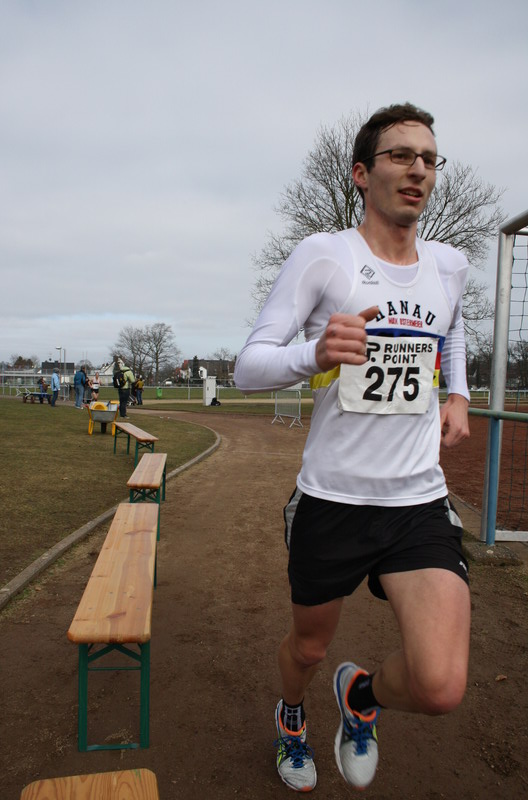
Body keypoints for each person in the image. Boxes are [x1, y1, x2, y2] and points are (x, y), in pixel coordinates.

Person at [234, 103, 471, 793]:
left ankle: (360, 695)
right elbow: (249, 367)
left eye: (429, 158)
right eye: (401, 155)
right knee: (309, 648)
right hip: (333, 499)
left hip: (417, 500)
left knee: (440, 685)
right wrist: (314, 353)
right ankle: (292, 713)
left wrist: (458, 393)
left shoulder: (450, 265)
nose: (418, 169)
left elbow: (452, 329)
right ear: (363, 174)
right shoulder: (324, 255)